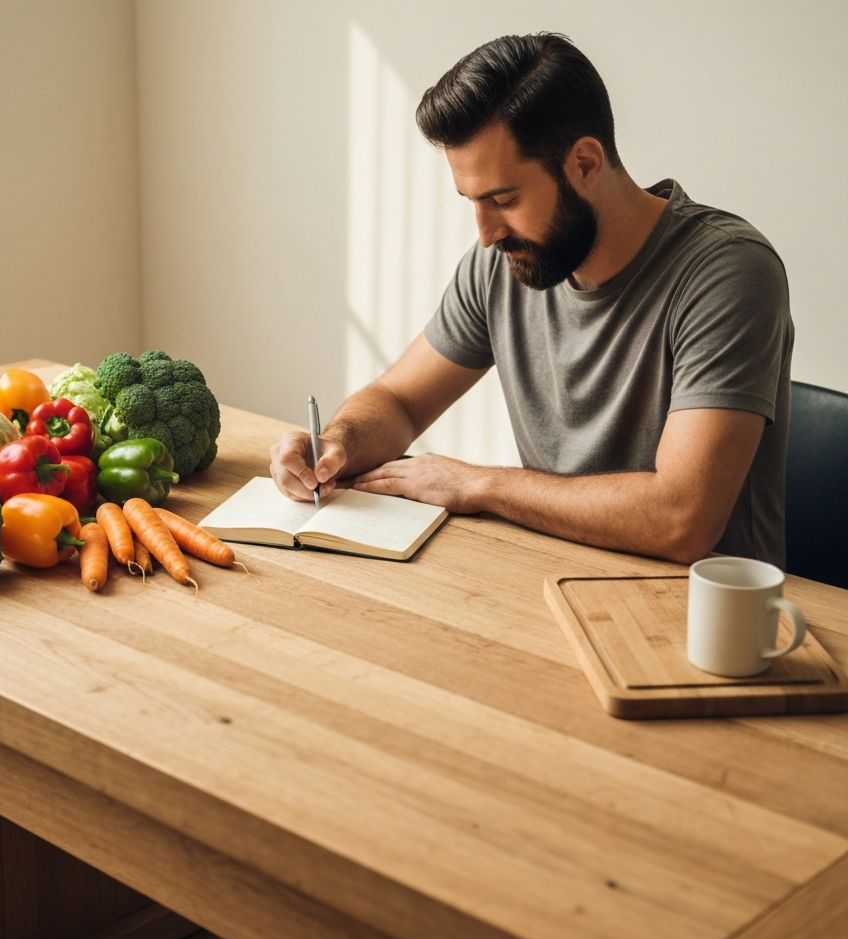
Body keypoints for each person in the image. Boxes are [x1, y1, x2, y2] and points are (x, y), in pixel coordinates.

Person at [269, 32, 793, 566]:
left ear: (585, 163)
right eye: (472, 201)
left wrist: (477, 484)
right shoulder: (503, 263)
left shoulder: (727, 272)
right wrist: (336, 445)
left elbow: (680, 519)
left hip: (703, 602)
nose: (486, 234)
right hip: (552, 569)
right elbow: (399, 401)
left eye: (504, 199)